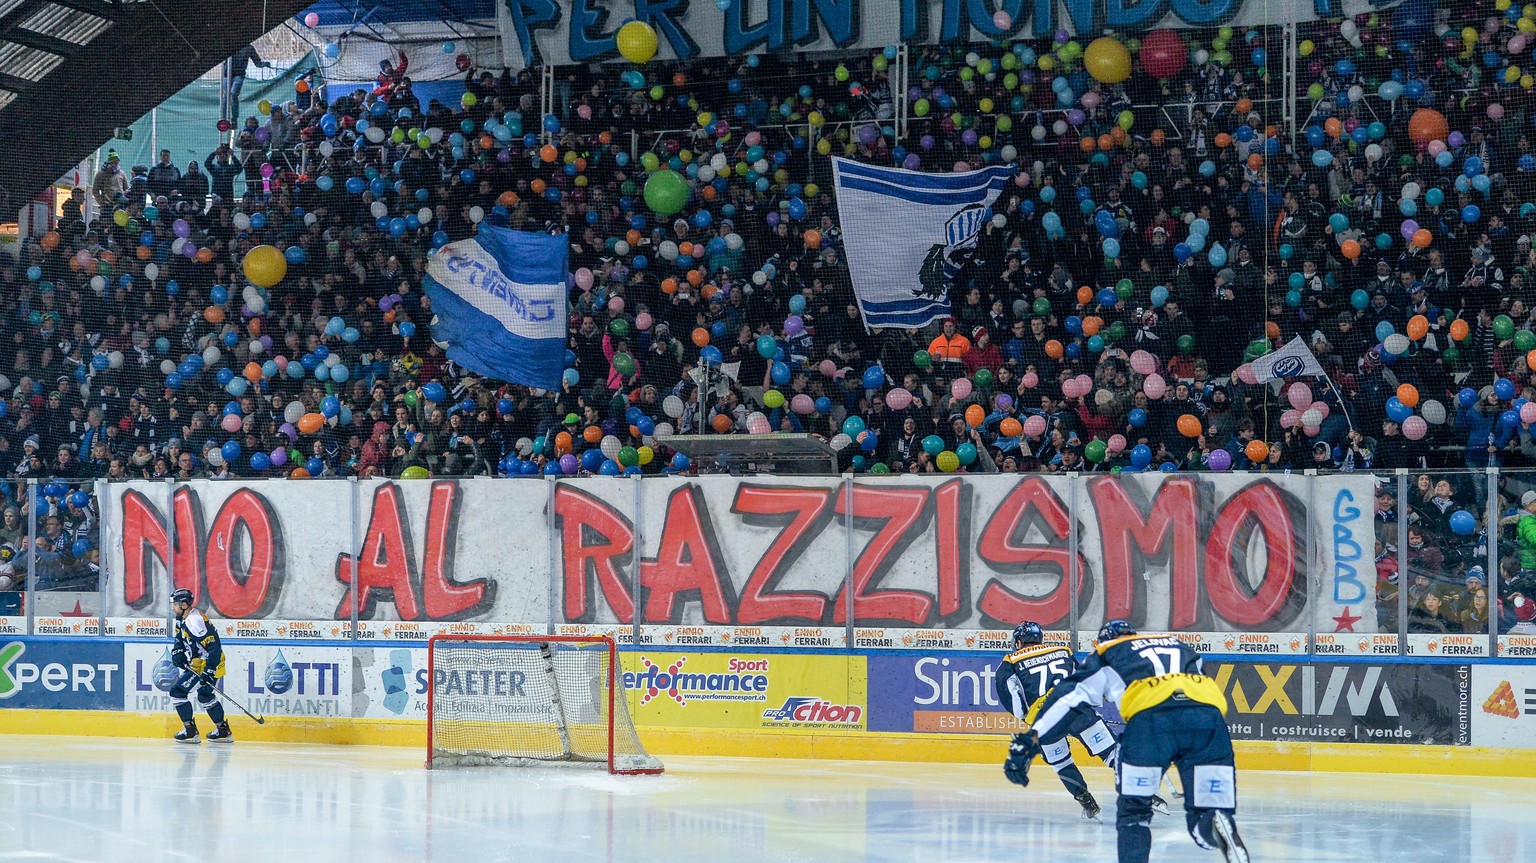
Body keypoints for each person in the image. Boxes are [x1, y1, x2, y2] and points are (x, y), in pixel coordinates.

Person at [1022, 620, 1247, 863]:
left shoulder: (1109, 652)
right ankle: (1213, 822)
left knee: (1133, 815)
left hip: (1150, 723)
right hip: (1208, 721)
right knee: (1203, 823)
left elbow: (1073, 696)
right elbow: (1201, 679)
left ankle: (1101, 801)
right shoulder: (1179, 645)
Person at [996, 621, 1120, 820]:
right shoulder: (1063, 650)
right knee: (1110, 751)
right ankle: (1142, 792)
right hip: (1077, 709)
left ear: (1019, 642)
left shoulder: (1009, 663)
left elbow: (1015, 705)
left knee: (1061, 762)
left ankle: (1086, 800)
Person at [169, 587, 232, 743]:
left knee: (178, 692)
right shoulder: (183, 618)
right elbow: (180, 636)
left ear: (184, 605)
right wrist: (177, 651)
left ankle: (190, 731)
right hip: (203, 661)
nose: (173, 607)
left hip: (207, 662)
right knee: (205, 695)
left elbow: (214, 647)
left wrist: (209, 670)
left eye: (175, 604)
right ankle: (222, 730)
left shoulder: (194, 621)